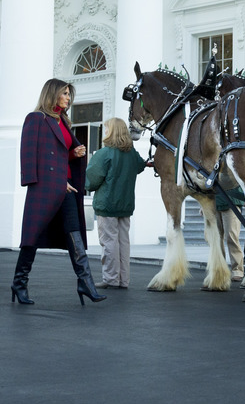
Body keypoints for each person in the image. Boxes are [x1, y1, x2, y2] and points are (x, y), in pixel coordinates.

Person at [11, 78, 106, 305]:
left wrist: (75, 154)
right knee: (31, 238)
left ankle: (85, 282)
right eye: (64, 93)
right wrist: (50, 180)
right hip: (45, 188)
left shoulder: (63, 122)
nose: (68, 98)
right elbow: (29, 155)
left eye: (68, 94)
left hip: (67, 188)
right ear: (52, 94)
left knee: (75, 234)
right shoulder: (36, 119)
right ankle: (19, 282)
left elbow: (60, 155)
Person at [85, 117, 147, 289]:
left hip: (107, 204)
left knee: (109, 242)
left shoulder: (104, 153)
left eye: (107, 129)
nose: (105, 132)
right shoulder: (132, 154)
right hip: (125, 204)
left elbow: (91, 179)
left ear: (111, 131)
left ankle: (111, 278)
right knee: (123, 242)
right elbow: (141, 166)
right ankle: (123, 280)